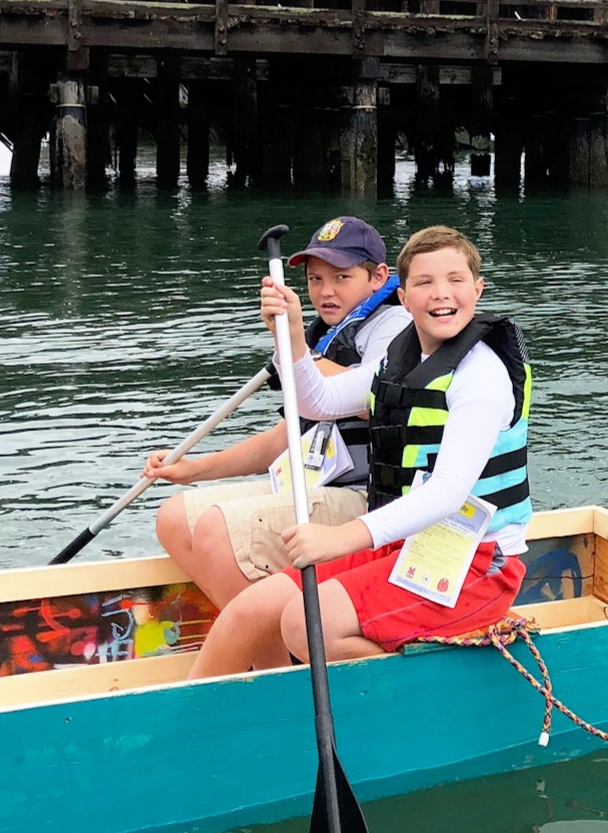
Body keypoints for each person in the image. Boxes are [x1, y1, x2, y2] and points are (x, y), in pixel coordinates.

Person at [189, 224, 531, 677]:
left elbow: (448, 492)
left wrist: (339, 538)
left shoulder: (482, 375)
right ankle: (192, 724)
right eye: (424, 283)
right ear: (404, 298)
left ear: (478, 289)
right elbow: (318, 401)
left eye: (455, 280)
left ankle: (418, 690)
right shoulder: (401, 358)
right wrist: (292, 334)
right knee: (254, 607)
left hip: (478, 564)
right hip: (410, 543)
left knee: (304, 622)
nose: (441, 294)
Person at [146, 216, 410, 608]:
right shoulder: (326, 333)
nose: (326, 292)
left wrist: (295, 347)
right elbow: (282, 439)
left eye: (341, 278)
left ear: (378, 277)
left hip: (366, 497)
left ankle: (264, 649)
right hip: (317, 484)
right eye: (315, 280)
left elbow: (369, 397)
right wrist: (192, 469)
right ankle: (259, 635)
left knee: (217, 530)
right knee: (174, 518)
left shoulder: (395, 326)